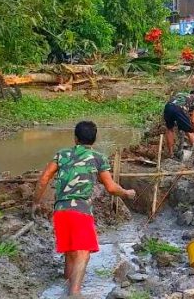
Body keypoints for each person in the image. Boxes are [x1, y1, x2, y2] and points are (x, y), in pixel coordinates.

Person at [32, 121, 136, 297]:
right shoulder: (97, 158)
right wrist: (126, 193)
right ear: (94, 139)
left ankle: (67, 284)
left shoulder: (61, 154)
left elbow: (44, 179)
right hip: (80, 211)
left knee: (70, 250)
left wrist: (35, 202)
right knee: (82, 253)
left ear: (75, 138)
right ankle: (75, 293)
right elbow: (110, 188)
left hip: (60, 211)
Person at [163, 89, 194, 156]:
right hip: (179, 108)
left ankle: (171, 153)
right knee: (189, 130)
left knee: (169, 129)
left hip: (168, 106)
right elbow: (193, 120)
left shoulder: (181, 94)